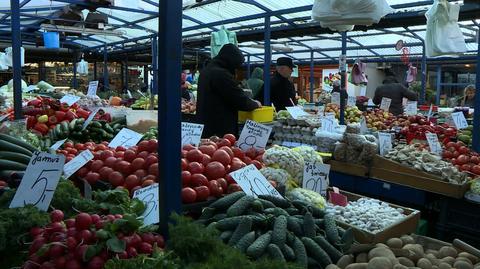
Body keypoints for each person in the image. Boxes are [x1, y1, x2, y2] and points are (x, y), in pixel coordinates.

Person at [196, 44, 261, 137]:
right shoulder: (221, 74)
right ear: (231, 61)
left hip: (206, 125)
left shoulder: (207, 70)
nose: (236, 68)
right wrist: (255, 104)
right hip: (219, 129)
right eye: (236, 65)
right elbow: (239, 100)